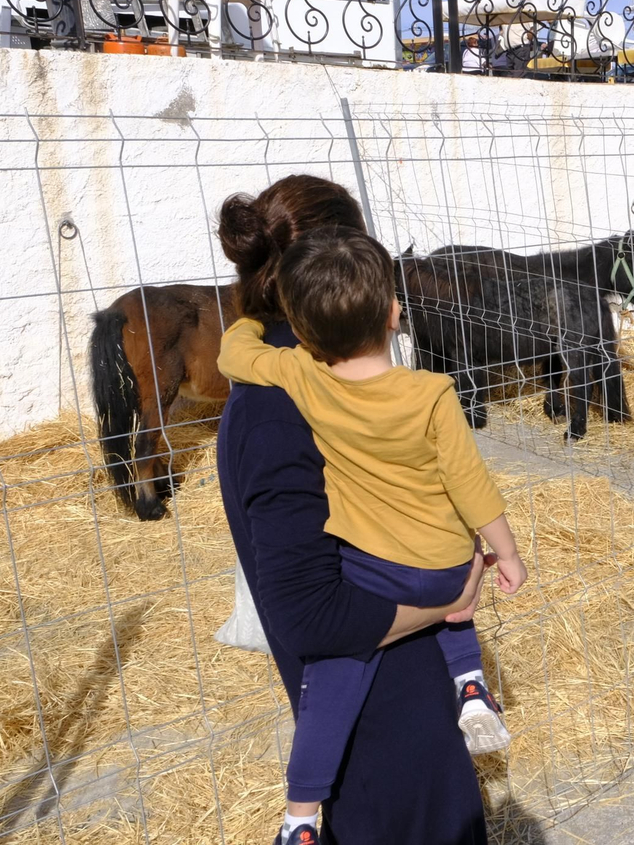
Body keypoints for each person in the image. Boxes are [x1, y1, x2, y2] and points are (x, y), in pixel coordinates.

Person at [217, 226, 527, 841]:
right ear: (394, 312)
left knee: (329, 689)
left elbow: (234, 356)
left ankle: (300, 816)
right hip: (442, 562)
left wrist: (249, 321)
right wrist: (507, 550)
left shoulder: (303, 380)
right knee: (454, 596)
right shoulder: (433, 392)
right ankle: (470, 683)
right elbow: (470, 484)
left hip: (372, 571)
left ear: (303, 333)